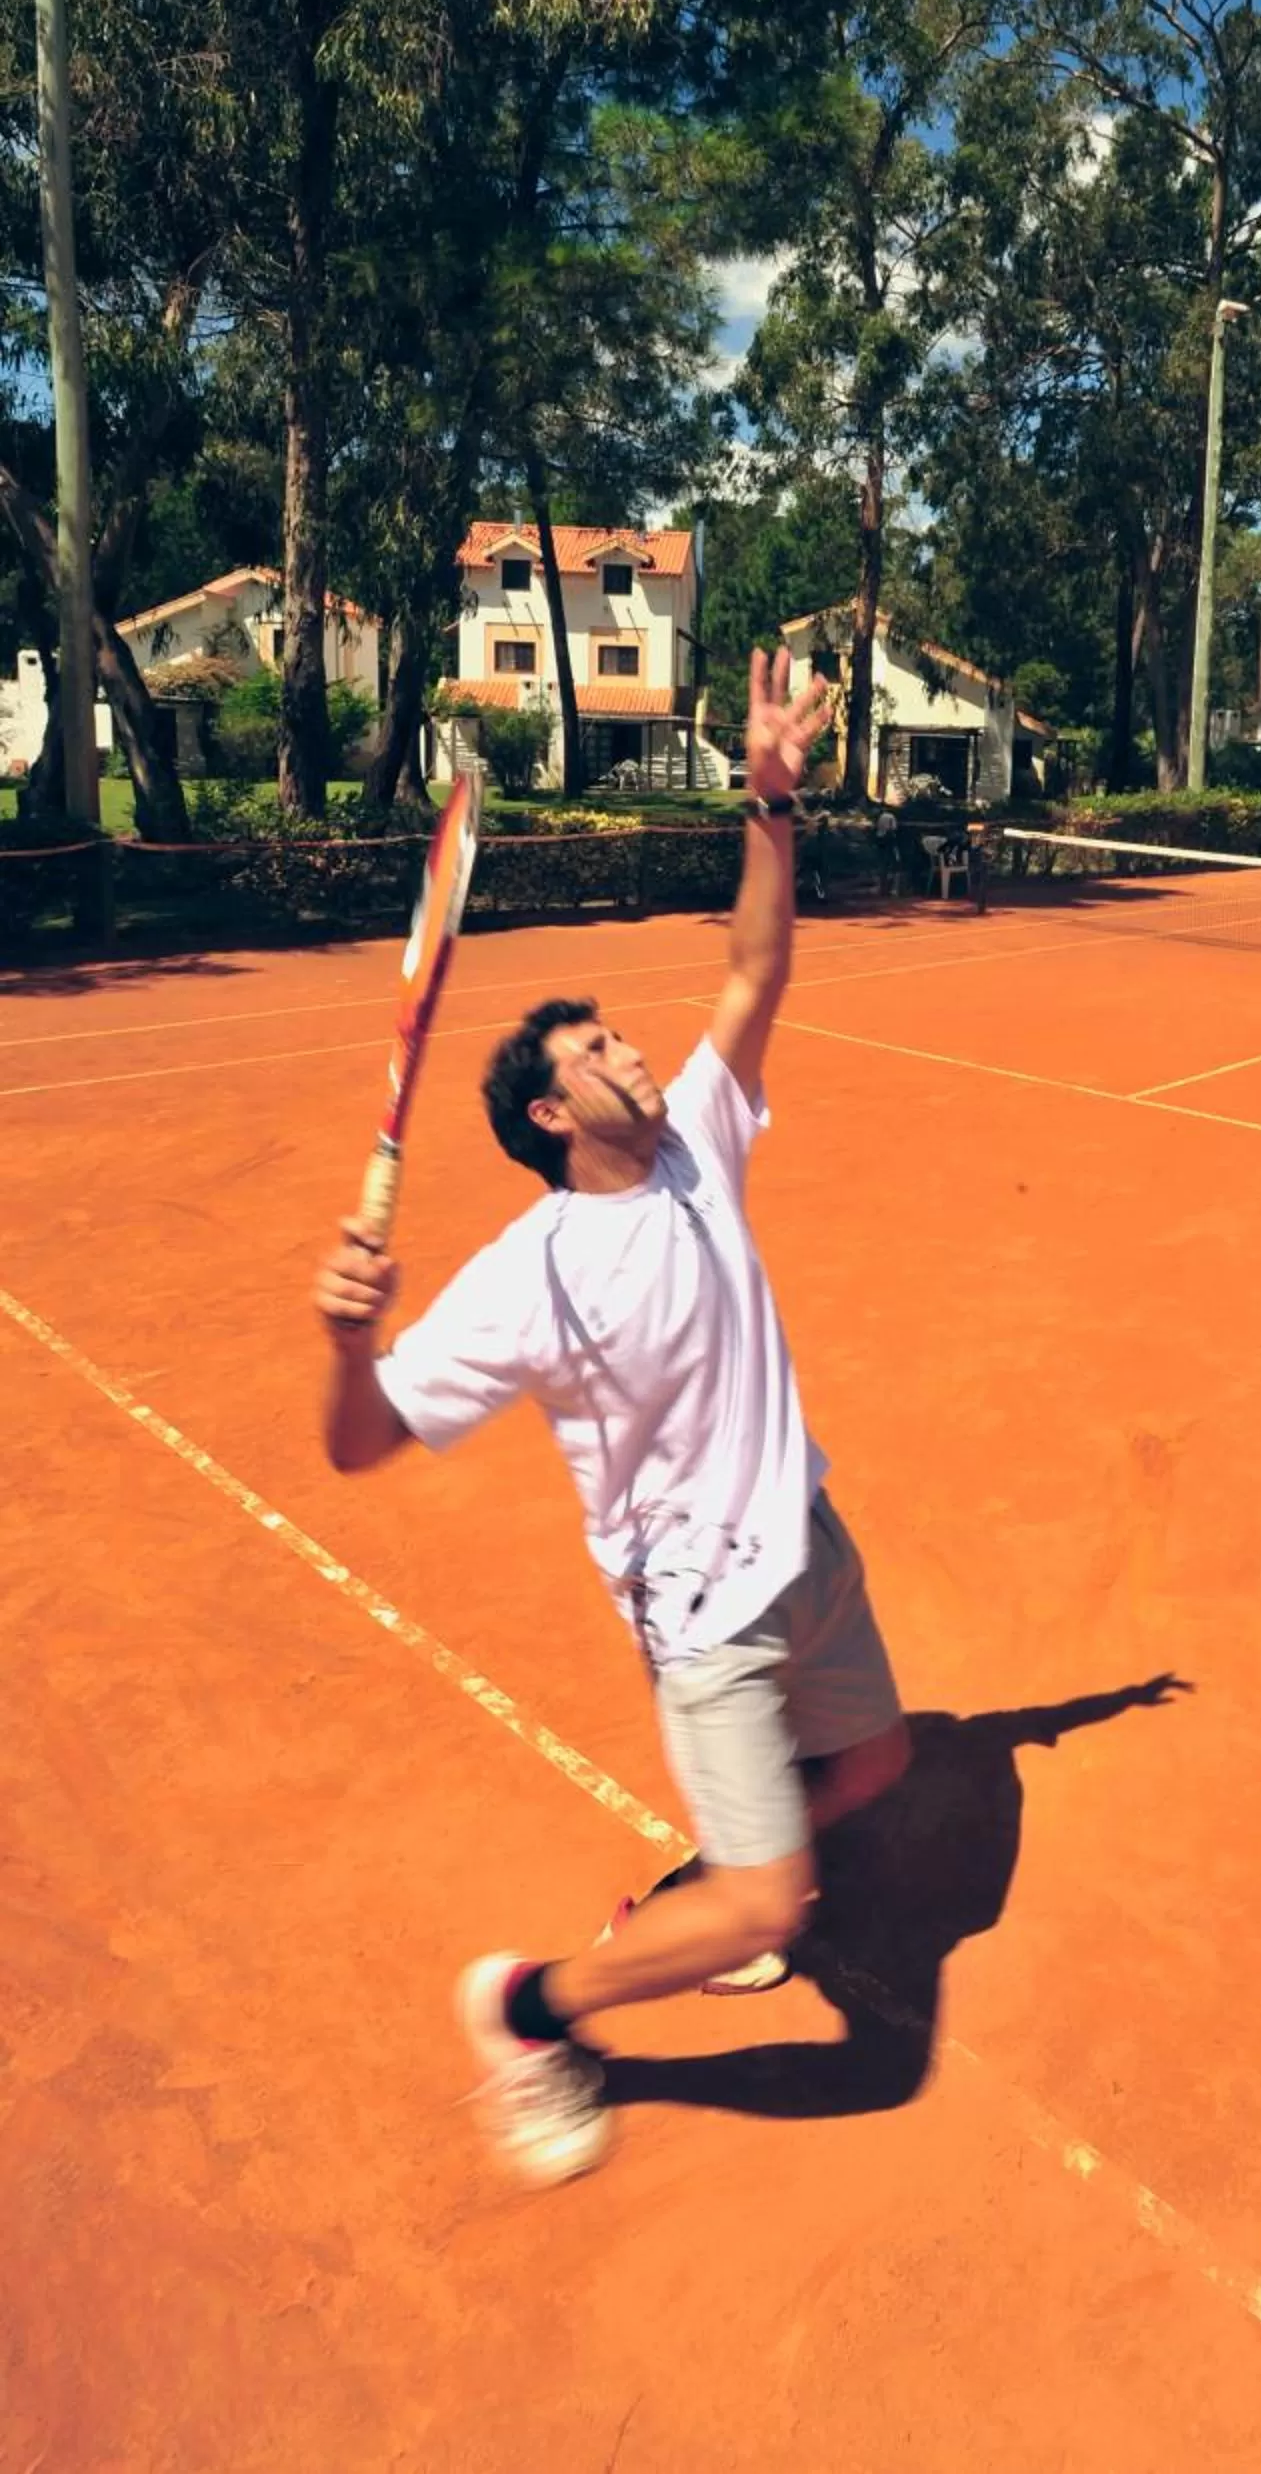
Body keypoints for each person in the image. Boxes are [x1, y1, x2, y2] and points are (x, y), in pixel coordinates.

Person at [312, 648, 911, 2190]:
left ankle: (693, 1896)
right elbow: (361, 1441)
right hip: (705, 1610)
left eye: (620, 1039)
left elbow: (755, 970)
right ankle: (532, 2004)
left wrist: (770, 798)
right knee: (778, 1915)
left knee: (881, 1769)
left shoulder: (701, 1138)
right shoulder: (531, 1278)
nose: (633, 1052)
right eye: (594, 1056)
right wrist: (349, 1337)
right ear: (546, 1117)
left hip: (806, 1540)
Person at [873, 795, 900, 900]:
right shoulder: (890, 816)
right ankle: (893, 889)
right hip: (889, 842)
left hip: (881, 841)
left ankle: (882, 888)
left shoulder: (880, 816)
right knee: (894, 865)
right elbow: (893, 830)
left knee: (882, 864)